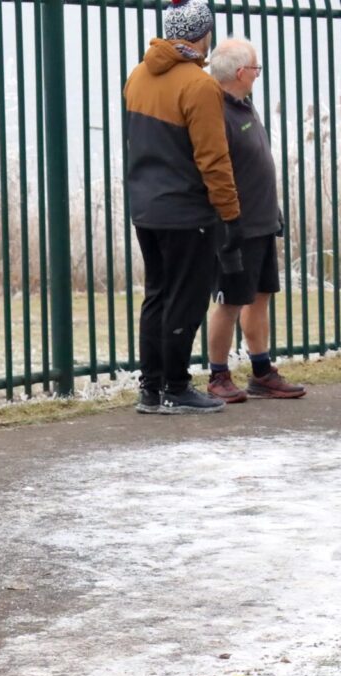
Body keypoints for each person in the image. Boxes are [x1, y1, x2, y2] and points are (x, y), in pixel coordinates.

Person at [124, 0, 243, 415]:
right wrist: (230, 213)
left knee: (157, 294)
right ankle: (176, 386)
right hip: (186, 211)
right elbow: (213, 158)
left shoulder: (138, 76)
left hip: (146, 207)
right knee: (187, 298)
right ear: (202, 34)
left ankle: (150, 388)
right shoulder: (199, 85)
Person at [205, 38, 306, 402]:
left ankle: (261, 371)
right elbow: (215, 169)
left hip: (262, 220)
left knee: (260, 296)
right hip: (237, 225)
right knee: (230, 301)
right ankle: (218, 375)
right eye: (255, 68)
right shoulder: (216, 111)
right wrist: (228, 219)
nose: (258, 74)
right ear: (239, 72)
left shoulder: (245, 104)